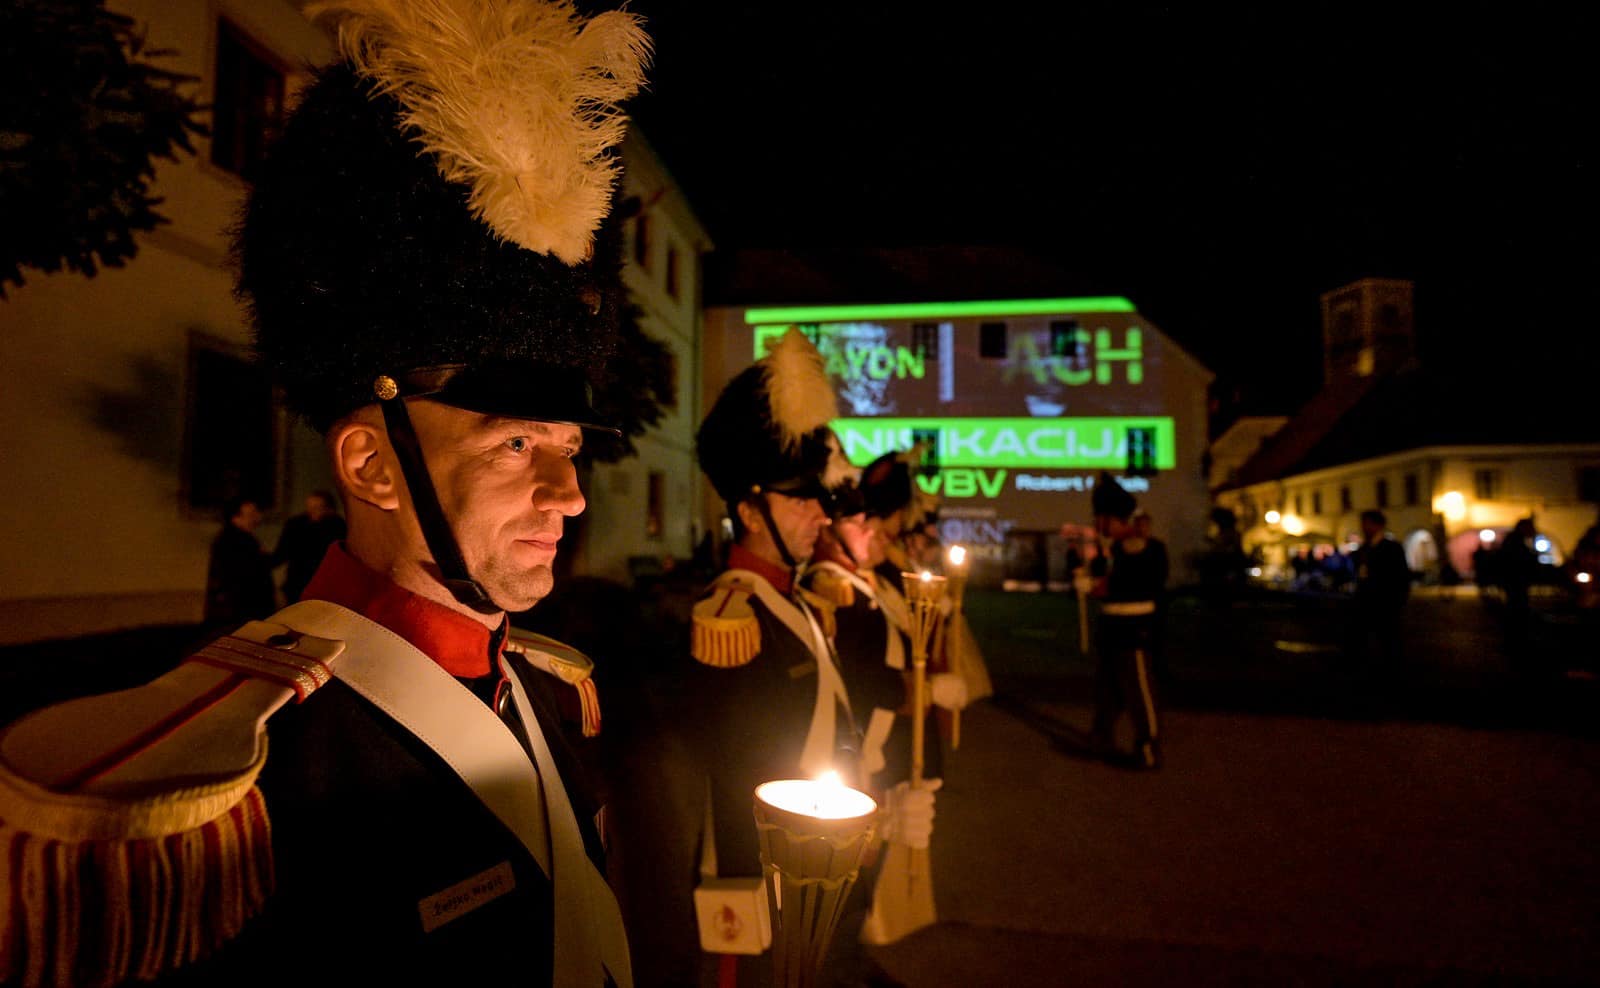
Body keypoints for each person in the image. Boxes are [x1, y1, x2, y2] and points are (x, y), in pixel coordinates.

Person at [0, 3, 649, 984]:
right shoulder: (226, 787)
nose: (567, 494)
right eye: (516, 443)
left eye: (567, 446)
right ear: (369, 467)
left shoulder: (558, 693)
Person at [1087, 472, 1164, 770]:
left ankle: (1148, 747)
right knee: (1108, 688)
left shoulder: (1141, 547)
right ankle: (1101, 737)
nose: (1096, 524)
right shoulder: (1112, 550)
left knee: (1138, 690)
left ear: (1112, 518)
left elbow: (1140, 582)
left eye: (1100, 518)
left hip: (1133, 627)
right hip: (1110, 626)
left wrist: (1103, 584)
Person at [1349, 509, 1411, 699]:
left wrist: (1397, 602)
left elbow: (1401, 577)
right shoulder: (1363, 549)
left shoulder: (1391, 548)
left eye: (1367, 523)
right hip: (1365, 603)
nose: (1363, 527)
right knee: (1363, 640)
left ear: (1377, 525)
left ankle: (1391, 679)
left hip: (1385, 603)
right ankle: (1368, 676)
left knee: (1389, 641)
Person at [203, 496, 275, 626]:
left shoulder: (241, 538)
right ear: (236, 518)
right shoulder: (233, 541)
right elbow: (245, 575)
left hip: (242, 608)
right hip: (242, 610)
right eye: (251, 514)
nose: (257, 517)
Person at [270, 490, 347, 603]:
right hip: (297, 583)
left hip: (326, 584)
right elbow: (283, 552)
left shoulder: (337, 527)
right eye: (310, 507)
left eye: (317, 507)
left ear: (329, 509)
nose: (312, 512)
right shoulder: (296, 525)